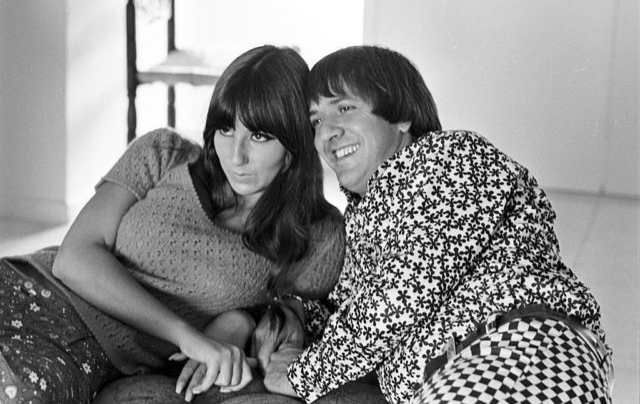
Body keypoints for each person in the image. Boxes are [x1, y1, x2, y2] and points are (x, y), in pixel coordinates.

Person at [261, 45, 614, 404]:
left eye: (345, 108)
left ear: (402, 117)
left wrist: (304, 374)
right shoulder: (366, 216)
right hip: (456, 375)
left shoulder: (451, 158)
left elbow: (405, 290)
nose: (327, 134)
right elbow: (352, 312)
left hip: (516, 351)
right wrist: (294, 315)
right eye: (316, 121)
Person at [0, 45, 345, 403]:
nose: (236, 155)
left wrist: (242, 319)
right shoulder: (163, 152)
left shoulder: (318, 235)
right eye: (226, 129)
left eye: (259, 136)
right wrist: (188, 337)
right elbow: (74, 258)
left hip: (88, 358)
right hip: (30, 289)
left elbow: (302, 318)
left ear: (294, 146)